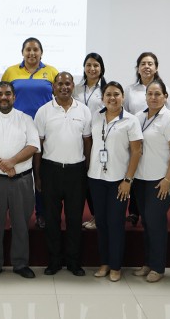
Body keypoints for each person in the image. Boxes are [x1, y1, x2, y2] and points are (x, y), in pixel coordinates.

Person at [0, 81, 40, 279]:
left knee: (21, 223)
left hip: (21, 180)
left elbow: (33, 146)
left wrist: (11, 162)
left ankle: (20, 263)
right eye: (0, 94)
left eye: (8, 94)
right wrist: (3, 165)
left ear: (14, 97)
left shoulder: (26, 119)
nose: (4, 97)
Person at [34, 72, 92, 276]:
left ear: (73, 85)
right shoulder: (43, 111)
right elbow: (38, 146)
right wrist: (38, 175)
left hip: (76, 172)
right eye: (60, 84)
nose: (64, 87)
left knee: (75, 219)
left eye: (68, 83)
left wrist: (87, 170)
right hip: (51, 170)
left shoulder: (84, 111)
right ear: (53, 87)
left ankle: (74, 262)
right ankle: (54, 261)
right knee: (51, 220)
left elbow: (87, 142)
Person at [88, 81, 142, 282]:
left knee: (116, 223)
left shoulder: (130, 120)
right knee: (101, 223)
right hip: (96, 178)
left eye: (116, 94)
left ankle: (116, 265)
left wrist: (128, 179)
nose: (112, 98)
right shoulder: (96, 117)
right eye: (108, 94)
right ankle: (104, 263)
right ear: (103, 98)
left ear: (123, 97)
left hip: (119, 180)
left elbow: (137, 151)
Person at [2, 37, 58, 229]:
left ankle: (41, 213)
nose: (32, 53)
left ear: (41, 52)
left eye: (35, 50)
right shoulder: (11, 71)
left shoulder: (51, 71)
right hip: (16, 128)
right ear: (22, 52)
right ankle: (15, 213)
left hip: (46, 129)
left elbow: (60, 98)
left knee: (40, 172)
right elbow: (3, 98)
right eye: (28, 50)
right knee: (17, 169)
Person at [132, 79, 170, 282]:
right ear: (145, 97)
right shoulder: (138, 117)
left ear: (165, 97)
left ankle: (158, 266)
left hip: (162, 180)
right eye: (150, 94)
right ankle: (148, 262)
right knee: (147, 221)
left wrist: (168, 179)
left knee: (155, 221)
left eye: (157, 94)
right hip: (141, 179)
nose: (153, 97)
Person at [124, 52, 170, 227]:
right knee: (138, 174)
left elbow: (168, 116)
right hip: (136, 138)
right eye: (143, 63)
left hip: (157, 142)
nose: (146, 66)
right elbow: (127, 114)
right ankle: (134, 212)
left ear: (156, 67)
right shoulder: (130, 90)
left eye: (150, 63)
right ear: (137, 68)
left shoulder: (163, 89)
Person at [72, 52, 107, 230]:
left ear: (101, 69)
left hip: (101, 140)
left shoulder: (107, 89)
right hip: (79, 138)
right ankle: (95, 214)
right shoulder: (76, 89)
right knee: (84, 178)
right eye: (89, 65)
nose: (92, 69)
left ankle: (99, 216)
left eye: (96, 65)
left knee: (98, 178)